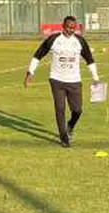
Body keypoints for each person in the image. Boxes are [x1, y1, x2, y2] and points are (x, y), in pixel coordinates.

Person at [24, 16, 100, 148]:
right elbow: (38, 54)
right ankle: (64, 137)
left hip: (74, 81)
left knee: (77, 110)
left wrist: (96, 77)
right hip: (57, 80)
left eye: (73, 28)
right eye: (69, 27)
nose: (71, 30)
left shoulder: (80, 41)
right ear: (63, 26)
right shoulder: (54, 40)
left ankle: (70, 125)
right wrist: (30, 72)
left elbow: (89, 59)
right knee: (60, 108)